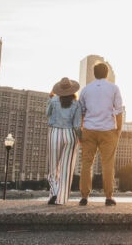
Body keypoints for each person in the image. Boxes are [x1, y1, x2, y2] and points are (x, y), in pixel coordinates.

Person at [78, 62, 123, 206]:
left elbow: (81, 112)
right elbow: (119, 110)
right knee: (108, 164)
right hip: (108, 130)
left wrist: (81, 129)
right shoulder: (114, 88)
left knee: (86, 163)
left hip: (89, 129)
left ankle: (84, 196)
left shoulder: (85, 90)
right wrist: (118, 130)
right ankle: (109, 197)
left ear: (94, 73)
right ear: (107, 73)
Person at [46, 77, 82, 205]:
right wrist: (81, 139)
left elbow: (47, 114)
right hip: (70, 134)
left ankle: (54, 191)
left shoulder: (54, 100)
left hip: (55, 133)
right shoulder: (77, 104)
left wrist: (50, 98)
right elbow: (77, 125)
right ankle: (60, 199)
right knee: (66, 169)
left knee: (53, 167)